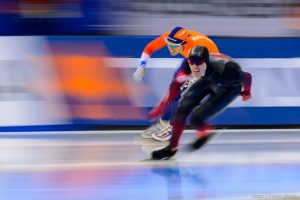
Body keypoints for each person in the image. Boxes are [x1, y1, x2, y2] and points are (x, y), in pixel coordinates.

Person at [150, 45, 252, 160]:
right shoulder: (190, 64)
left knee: (196, 119)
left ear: (206, 62)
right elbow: (176, 84)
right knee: (182, 108)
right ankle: (171, 148)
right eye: (192, 63)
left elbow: (247, 77)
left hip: (229, 88)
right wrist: (163, 105)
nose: (195, 67)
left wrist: (247, 93)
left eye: (198, 64)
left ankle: (205, 132)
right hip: (208, 79)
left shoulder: (226, 70)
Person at [132, 26, 220, 141]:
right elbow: (150, 47)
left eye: (174, 46)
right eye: (169, 44)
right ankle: (163, 124)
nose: (170, 48)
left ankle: (172, 128)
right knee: (173, 90)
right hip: (191, 59)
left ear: (183, 44)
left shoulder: (193, 48)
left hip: (207, 64)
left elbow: (195, 73)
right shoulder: (171, 36)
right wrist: (142, 65)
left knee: (179, 95)